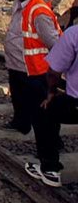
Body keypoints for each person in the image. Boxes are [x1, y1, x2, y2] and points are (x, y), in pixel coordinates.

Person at [3, 0, 61, 136]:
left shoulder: (39, 11)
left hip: (35, 69)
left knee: (41, 109)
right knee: (19, 99)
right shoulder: (20, 3)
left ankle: (51, 142)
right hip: (18, 65)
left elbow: (54, 43)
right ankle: (21, 123)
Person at [25, 26, 78, 187]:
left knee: (43, 112)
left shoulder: (74, 33)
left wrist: (51, 93)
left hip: (75, 102)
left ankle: (50, 169)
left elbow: (54, 72)